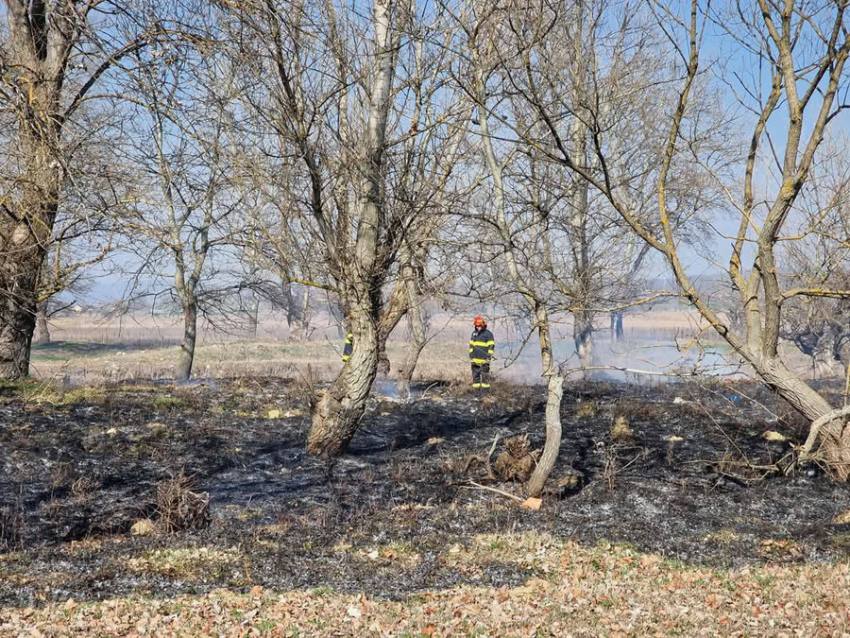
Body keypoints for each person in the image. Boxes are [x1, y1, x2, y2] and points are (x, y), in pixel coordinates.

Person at [469, 315, 495, 389]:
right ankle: (476, 392)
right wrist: (471, 356)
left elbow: (491, 346)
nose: (478, 327)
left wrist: (488, 356)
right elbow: (471, 346)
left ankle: (485, 392)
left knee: (485, 378)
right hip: (475, 360)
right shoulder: (474, 333)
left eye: (479, 326)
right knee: (475, 378)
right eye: (477, 326)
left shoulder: (488, 334)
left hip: (484, 360)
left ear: (483, 325)